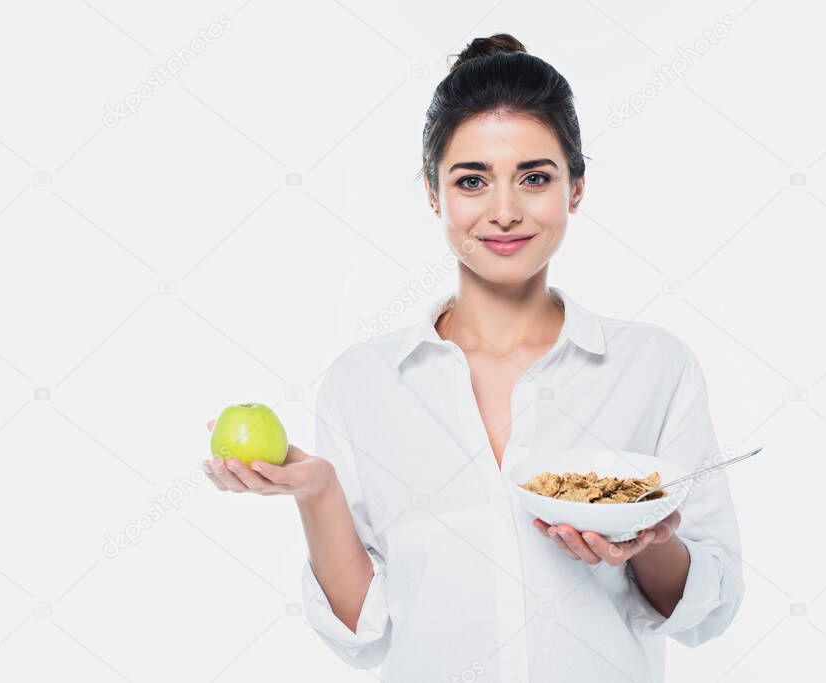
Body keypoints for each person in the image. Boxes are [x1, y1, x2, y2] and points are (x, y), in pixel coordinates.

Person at [201, 33, 744, 683]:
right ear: (434, 192)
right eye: (472, 180)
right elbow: (363, 632)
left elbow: (710, 608)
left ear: (575, 187)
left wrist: (651, 542)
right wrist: (317, 493)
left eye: (535, 177)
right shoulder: (364, 384)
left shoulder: (654, 367)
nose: (505, 211)